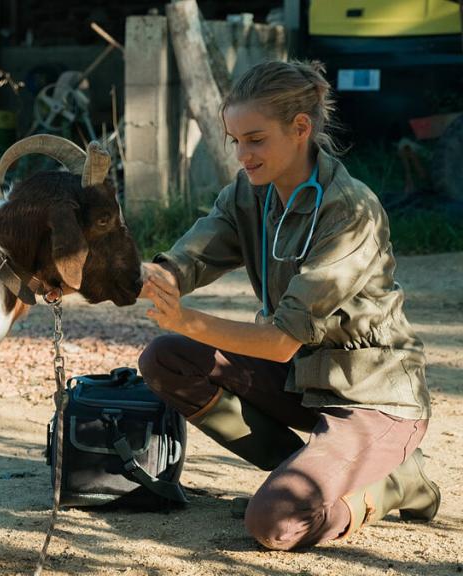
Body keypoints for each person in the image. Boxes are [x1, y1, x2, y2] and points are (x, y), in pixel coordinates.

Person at [136, 60, 438, 550]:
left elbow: (278, 342)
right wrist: (149, 276)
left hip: (373, 398)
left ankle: (396, 483)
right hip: (303, 381)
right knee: (166, 358)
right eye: (235, 141)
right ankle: (299, 473)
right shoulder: (249, 193)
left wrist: (185, 316)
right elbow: (192, 255)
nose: (242, 155)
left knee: (275, 524)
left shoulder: (349, 210)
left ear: (300, 128)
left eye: (255, 140)